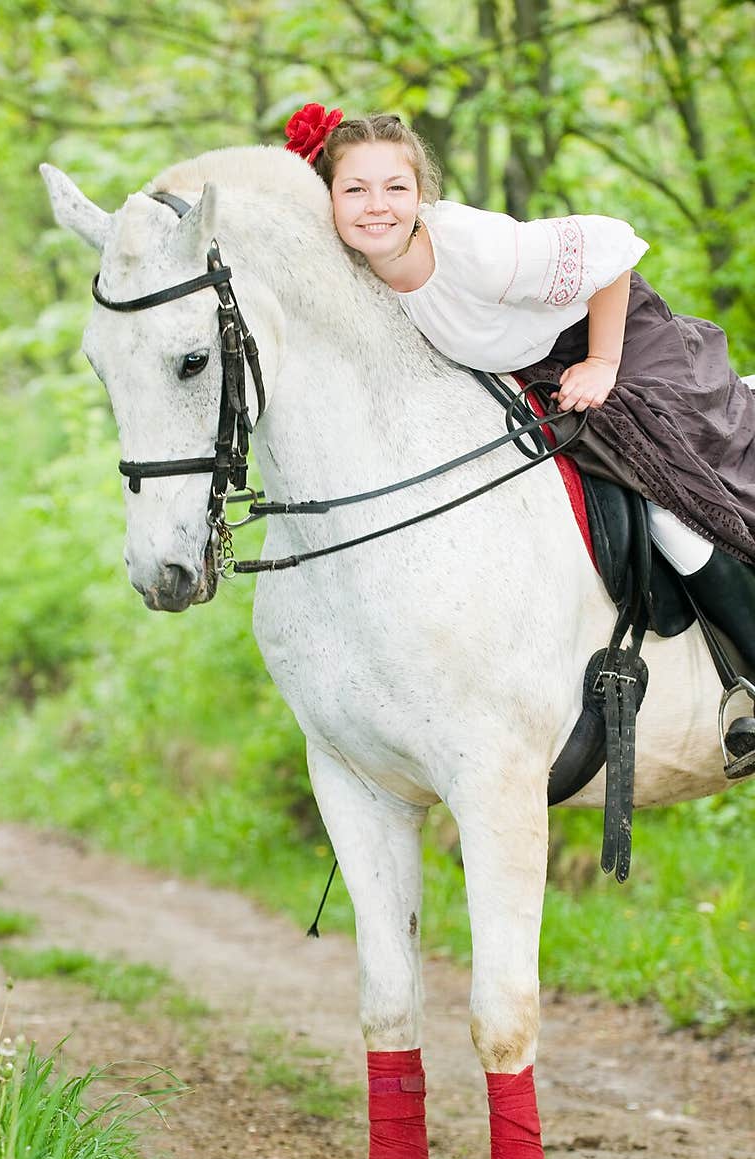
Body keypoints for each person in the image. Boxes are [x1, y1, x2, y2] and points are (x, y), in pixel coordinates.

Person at [283, 103, 755, 773]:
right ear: (327, 197)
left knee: (668, 495)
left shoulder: (475, 249)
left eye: (395, 187)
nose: (376, 206)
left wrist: (602, 364)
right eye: (354, 189)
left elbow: (613, 248)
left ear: (421, 192)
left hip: (611, 338)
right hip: (535, 367)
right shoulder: (361, 277)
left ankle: (748, 681)